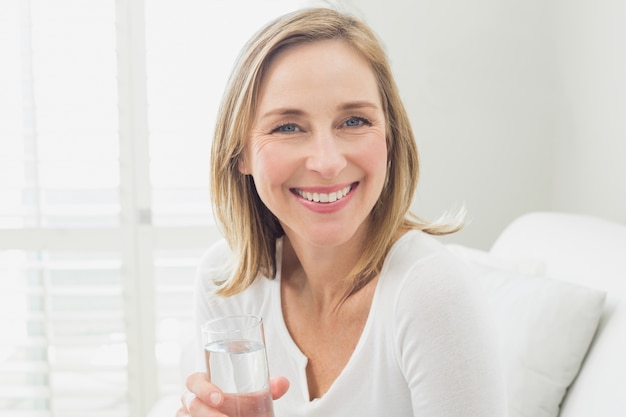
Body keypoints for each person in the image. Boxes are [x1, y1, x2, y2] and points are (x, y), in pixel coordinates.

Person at [177, 7, 506, 417]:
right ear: (241, 152)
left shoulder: (431, 294)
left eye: (354, 120)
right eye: (288, 127)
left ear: (389, 137)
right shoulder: (225, 281)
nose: (327, 162)